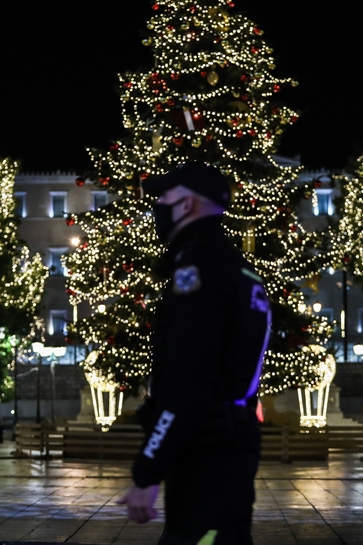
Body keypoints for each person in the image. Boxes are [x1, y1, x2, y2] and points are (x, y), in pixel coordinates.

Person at [118, 161, 272, 545]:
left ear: (186, 205)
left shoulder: (198, 272)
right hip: (230, 444)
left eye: (164, 197)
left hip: (208, 452)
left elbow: (188, 382)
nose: (158, 205)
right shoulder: (240, 269)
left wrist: (147, 472)